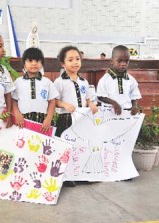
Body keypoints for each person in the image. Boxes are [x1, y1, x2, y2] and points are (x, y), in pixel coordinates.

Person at [54, 46, 98, 187]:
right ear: (63, 64)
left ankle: (81, 174)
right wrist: (64, 104)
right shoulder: (59, 82)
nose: (75, 62)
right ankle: (66, 176)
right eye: (70, 60)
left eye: (77, 59)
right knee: (67, 147)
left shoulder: (84, 82)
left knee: (82, 146)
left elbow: (88, 98)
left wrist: (91, 104)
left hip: (81, 120)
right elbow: (54, 101)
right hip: (66, 119)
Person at [12, 47, 59, 133]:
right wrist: (17, 114)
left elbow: (52, 102)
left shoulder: (47, 82)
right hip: (23, 120)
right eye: (30, 61)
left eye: (37, 61)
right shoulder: (18, 82)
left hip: (43, 121)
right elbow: (13, 101)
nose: (34, 63)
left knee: (41, 145)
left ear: (42, 63)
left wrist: (48, 119)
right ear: (24, 64)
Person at [97, 45, 141, 115]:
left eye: (126, 61)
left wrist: (134, 106)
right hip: (110, 113)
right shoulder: (105, 79)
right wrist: (114, 103)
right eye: (119, 61)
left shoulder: (131, 79)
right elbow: (101, 96)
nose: (123, 64)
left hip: (127, 112)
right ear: (111, 61)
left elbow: (134, 95)